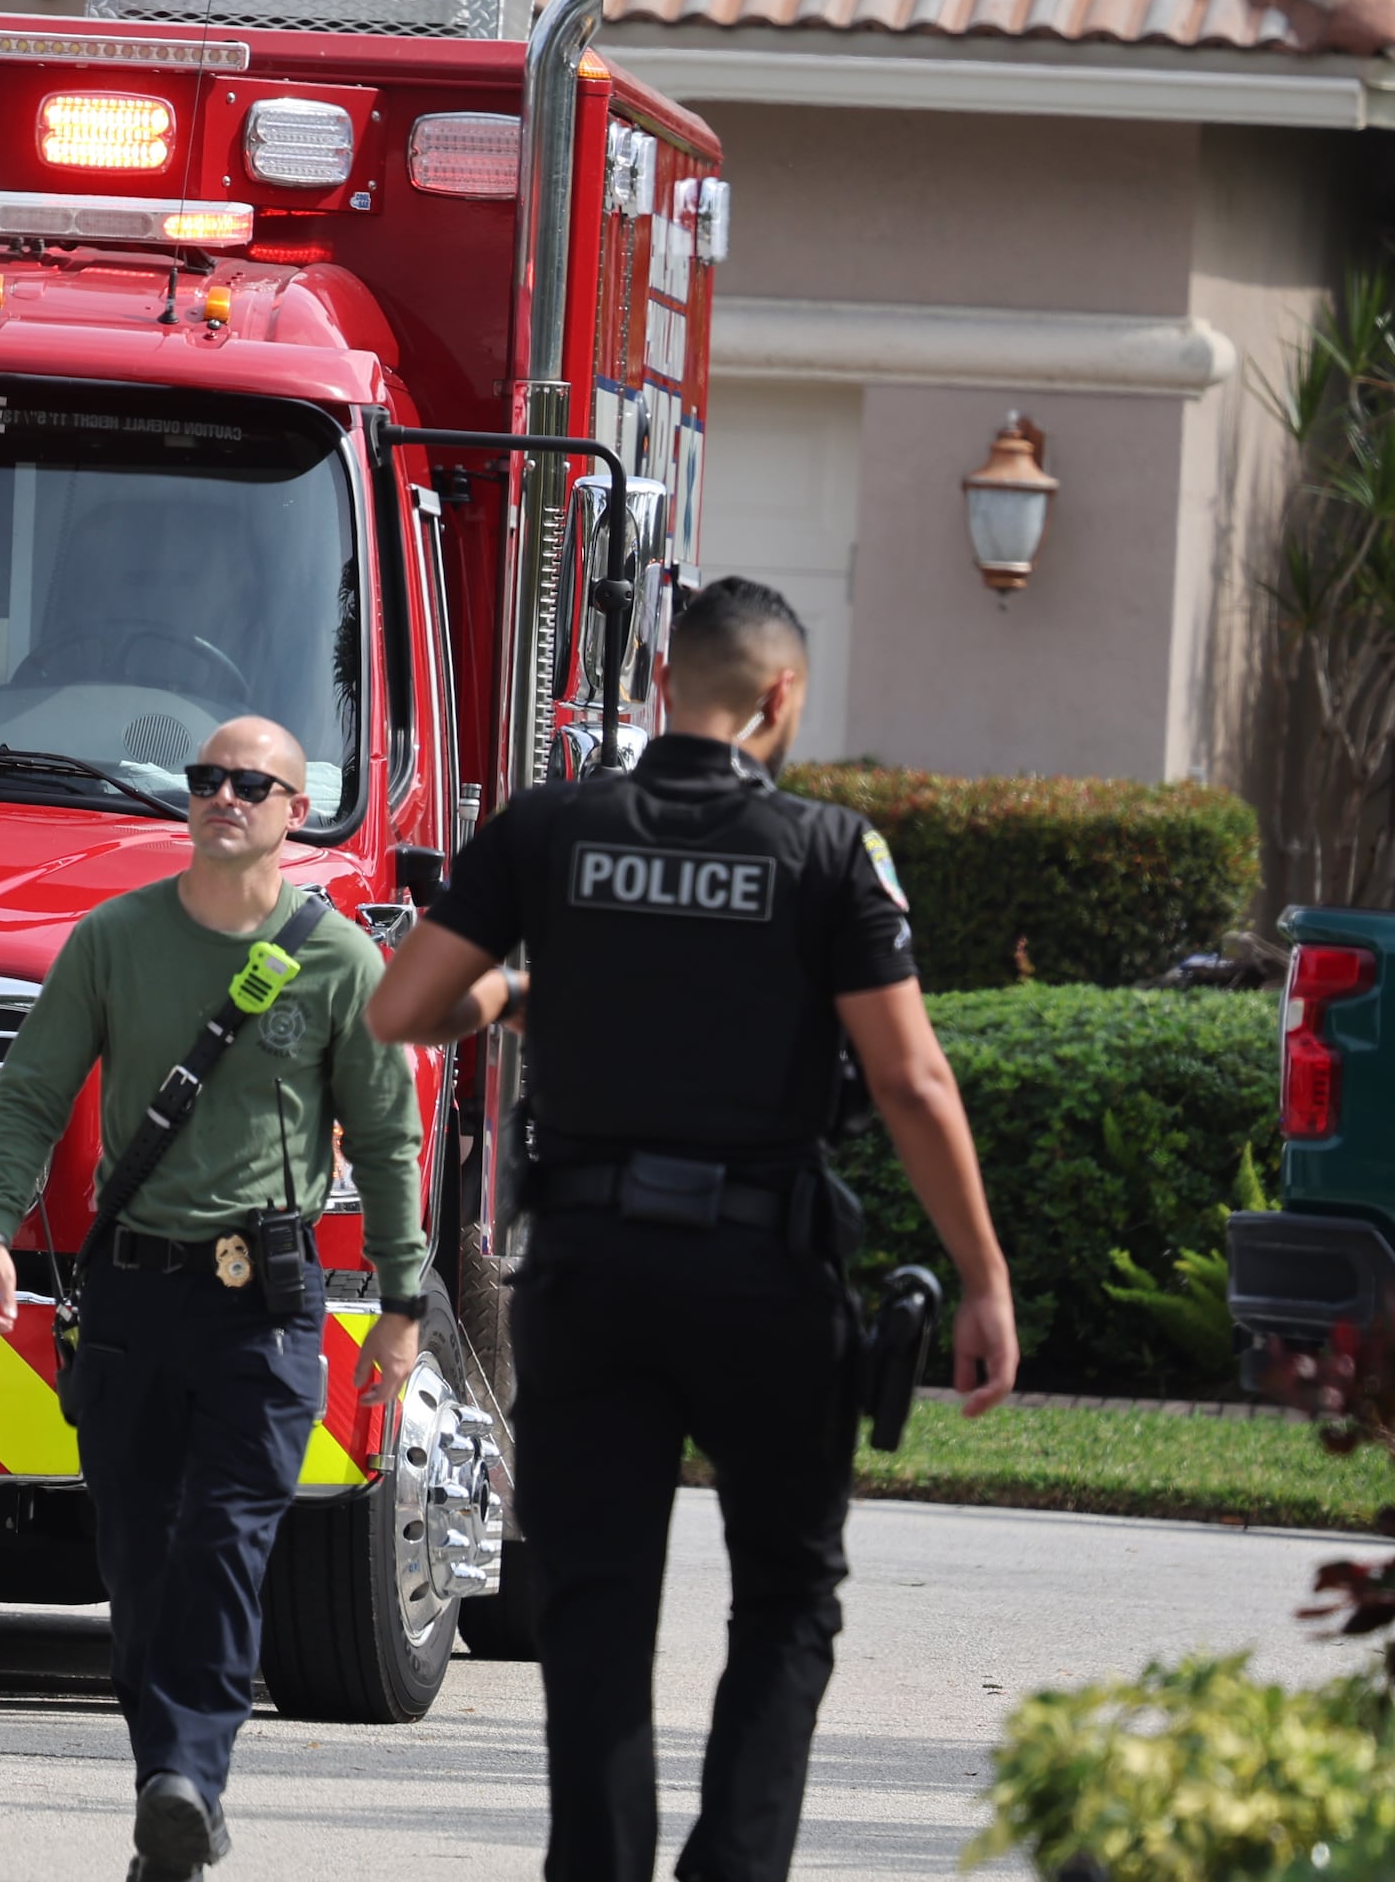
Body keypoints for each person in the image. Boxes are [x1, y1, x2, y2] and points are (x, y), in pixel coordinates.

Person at [364, 575, 1018, 1882]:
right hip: (761, 1275)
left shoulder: (549, 828)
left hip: (592, 1273)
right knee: (785, 1596)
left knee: (598, 1607)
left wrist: (517, 994)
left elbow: (401, 1011)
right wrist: (985, 1277)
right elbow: (909, 1079)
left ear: (666, 680)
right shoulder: (832, 852)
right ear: (778, 698)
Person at [0, 713, 427, 1882]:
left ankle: (190, 1778)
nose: (224, 796)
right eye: (208, 779)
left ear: (290, 810)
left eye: (249, 783)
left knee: (223, 1544)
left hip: (262, 1311)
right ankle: (169, 1785)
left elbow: (386, 1137)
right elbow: (28, 1095)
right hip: (129, 1303)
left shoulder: (339, 963)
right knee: (139, 1562)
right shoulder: (114, 941)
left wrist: (406, 1302)